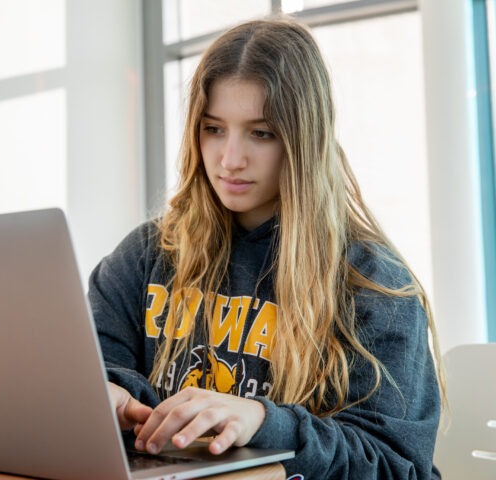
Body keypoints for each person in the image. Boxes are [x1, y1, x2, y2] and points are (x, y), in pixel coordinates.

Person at [88, 14, 444, 479]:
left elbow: (395, 466)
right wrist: (105, 394)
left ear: (303, 140)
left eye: (261, 133)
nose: (230, 159)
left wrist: (261, 420)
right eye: (213, 128)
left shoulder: (372, 283)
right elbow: (99, 366)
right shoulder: (146, 256)